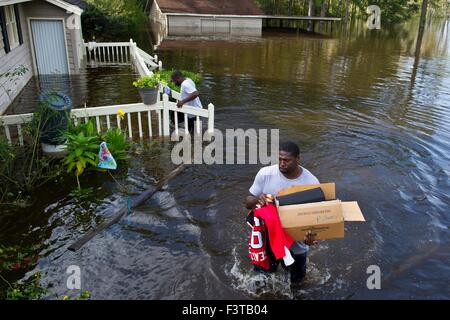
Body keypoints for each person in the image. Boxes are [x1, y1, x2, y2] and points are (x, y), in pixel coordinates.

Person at [245, 140, 319, 284]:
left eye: (286, 160)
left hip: (296, 241)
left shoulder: (311, 183)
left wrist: (312, 237)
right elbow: (247, 202)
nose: (281, 163)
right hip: (269, 237)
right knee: (261, 280)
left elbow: (316, 218)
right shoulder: (265, 174)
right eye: (279, 159)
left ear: (298, 159)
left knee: (297, 283)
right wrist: (256, 200)